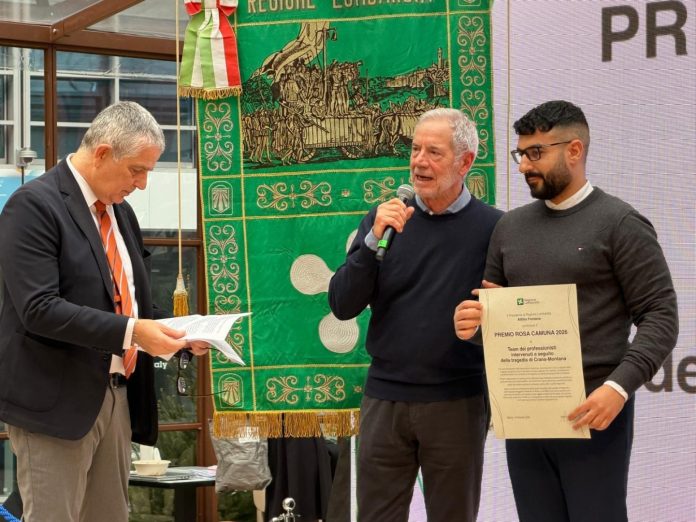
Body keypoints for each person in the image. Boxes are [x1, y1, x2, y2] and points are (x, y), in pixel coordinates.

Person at [453, 100, 679, 522]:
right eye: (521, 154)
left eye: (536, 153)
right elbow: (498, 320)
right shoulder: (509, 228)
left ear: (574, 150)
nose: (524, 166)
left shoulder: (620, 223)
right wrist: (476, 324)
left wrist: (617, 388)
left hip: (593, 412)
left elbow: (661, 315)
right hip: (525, 414)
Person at [0, 101, 208, 522]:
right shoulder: (33, 206)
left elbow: (129, 303)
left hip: (117, 397)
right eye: (136, 170)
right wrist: (134, 332)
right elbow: (39, 309)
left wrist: (180, 334)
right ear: (102, 153)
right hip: (55, 404)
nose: (143, 184)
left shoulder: (120, 213)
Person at [328, 108, 503, 521]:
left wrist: (490, 315)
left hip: (456, 402)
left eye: (434, 152)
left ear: (465, 162)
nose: (419, 161)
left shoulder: (495, 228)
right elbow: (342, 304)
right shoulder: (384, 221)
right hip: (384, 399)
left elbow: (508, 316)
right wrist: (372, 240)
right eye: (415, 149)